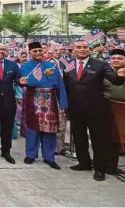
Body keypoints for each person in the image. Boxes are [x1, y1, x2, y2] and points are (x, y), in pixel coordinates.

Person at [65, 40, 125, 181]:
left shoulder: (101, 65)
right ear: (74, 49)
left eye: (85, 47)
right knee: (79, 139)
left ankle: (100, 169)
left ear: (90, 49)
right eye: (79, 47)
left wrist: (121, 75)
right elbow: (65, 85)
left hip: (97, 110)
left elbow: (115, 80)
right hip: (75, 109)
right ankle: (84, 163)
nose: (82, 49)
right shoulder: (68, 66)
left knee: (99, 141)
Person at [19, 42, 68, 170]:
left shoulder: (52, 65)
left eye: (40, 50)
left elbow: (59, 85)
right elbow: (27, 82)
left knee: (50, 130)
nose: (38, 53)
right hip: (33, 99)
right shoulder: (25, 66)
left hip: (50, 100)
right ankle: (31, 154)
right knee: (32, 129)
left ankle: (49, 157)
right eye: (34, 51)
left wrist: (63, 104)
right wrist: (44, 75)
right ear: (30, 53)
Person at [106, 49, 125, 155]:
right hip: (111, 106)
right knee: (114, 136)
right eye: (113, 58)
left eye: (120, 58)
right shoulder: (105, 72)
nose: (116, 60)